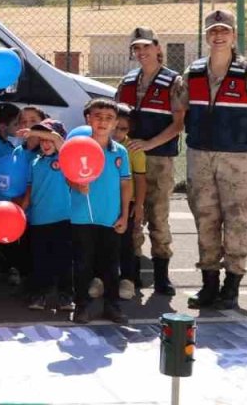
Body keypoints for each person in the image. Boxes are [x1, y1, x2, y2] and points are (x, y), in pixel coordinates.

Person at [179, 10, 247, 310]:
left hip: (236, 158)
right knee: (205, 218)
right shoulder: (193, 73)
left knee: (236, 220)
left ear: (233, 36)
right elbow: (182, 111)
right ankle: (208, 284)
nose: (218, 36)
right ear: (206, 37)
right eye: (213, 32)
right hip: (200, 155)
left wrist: (236, 138)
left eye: (224, 31)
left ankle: (231, 286)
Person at [114, 26, 184, 296]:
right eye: (136, 48)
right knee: (131, 214)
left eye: (146, 47)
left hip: (158, 159)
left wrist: (149, 144)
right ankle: (132, 274)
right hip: (130, 159)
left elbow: (179, 123)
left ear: (158, 48)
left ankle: (162, 276)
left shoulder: (173, 81)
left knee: (158, 217)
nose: (142, 52)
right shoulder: (128, 81)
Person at [69, 99, 133, 325]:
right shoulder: (79, 146)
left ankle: (112, 306)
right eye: (97, 116)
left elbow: (126, 184)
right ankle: (81, 306)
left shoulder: (120, 152)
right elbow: (68, 176)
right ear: (88, 119)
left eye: (108, 118)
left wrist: (125, 215)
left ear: (116, 123)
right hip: (82, 217)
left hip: (111, 217)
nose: (102, 122)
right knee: (83, 263)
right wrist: (78, 185)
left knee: (110, 264)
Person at [20, 119, 74, 313]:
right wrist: (21, 212)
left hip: (63, 219)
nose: (45, 142)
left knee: (64, 261)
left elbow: (58, 141)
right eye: (41, 139)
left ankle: (66, 296)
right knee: (41, 261)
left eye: (48, 138)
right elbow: (29, 190)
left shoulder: (65, 158)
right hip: (38, 220)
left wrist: (37, 133)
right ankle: (40, 295)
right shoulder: (35, 162)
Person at [0, 102, 31, 287]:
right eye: (16, 124)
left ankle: (12, 268)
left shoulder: (14, 148)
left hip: (8, 204)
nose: (20, 127)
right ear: (3, 126)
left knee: (11, 239)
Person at [113, 103, 148, 300]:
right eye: (115, 127)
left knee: (127, 242)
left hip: (128, 204)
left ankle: (128, 279)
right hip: (106, 203)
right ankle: (102, 279)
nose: (117, 132)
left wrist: (139, 205)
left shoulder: (133, 149)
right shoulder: (99, 145)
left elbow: (141, 179)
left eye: (123, 129)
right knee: (105, 242)